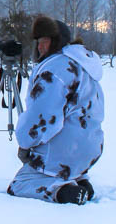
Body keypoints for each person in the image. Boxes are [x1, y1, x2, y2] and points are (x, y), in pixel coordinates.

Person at [7, 16, 104, 205]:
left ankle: (64, 192)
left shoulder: (55, 69)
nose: (41, 47)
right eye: (39, 42)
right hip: (90, 147)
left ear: (56, 42)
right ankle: (79, 181)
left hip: (65, 150)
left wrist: (25, 143)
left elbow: (43, 117)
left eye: (45, 41)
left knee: (19, 184)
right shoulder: (83, 64)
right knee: (58, 165)